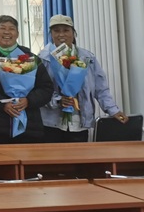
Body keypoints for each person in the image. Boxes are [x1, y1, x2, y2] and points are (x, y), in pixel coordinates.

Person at [39, 14, 127, 142]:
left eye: (66, 30)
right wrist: (58, 100)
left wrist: (113, 110)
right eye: (56, 31)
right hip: (51, 124)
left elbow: (100, 88)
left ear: (73, 33)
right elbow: (40, 90)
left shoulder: (87, 57)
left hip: (79, 123)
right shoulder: (43, 58)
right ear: (51, 34)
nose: (61, 34)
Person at [0, 15, 53, 144]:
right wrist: (2, 104)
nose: (7, 32)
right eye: (2, 28)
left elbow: (46, 88)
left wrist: (29, 101)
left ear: (17, 33)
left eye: (11, 29)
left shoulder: (31, 58)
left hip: (29, 126)